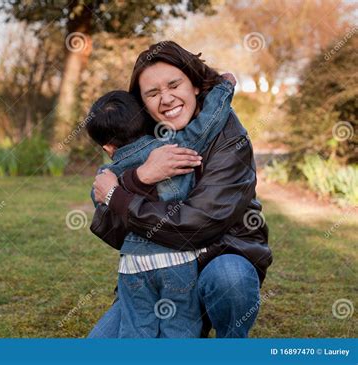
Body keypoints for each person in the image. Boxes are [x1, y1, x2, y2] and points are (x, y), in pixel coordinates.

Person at [89, 41, 273, 338]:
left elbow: (197, 224)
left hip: (217, 259)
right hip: (159, 274)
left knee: (230, 278)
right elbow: (110, 229)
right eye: (152, 93)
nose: (166, 99)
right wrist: (140, 178)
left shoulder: (229, 136)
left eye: (174, 84)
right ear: (142, 103)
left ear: (196, 85)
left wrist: (118, 196)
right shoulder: (141, 136)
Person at [86, 75, 235, 337]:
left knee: (135, 331)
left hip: (132, 265)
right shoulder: (177, 147)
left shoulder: (107, 173)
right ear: (146, 121)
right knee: (178, 329)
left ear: (108, 147)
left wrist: (120, 185)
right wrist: (224, 87)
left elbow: (100, 198)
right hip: (176, 260)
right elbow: (210, 121)